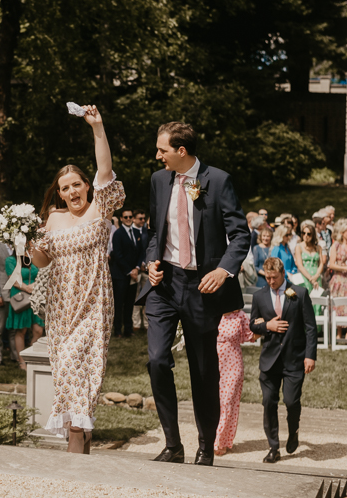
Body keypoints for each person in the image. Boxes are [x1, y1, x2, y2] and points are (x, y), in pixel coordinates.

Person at [134, 120, 250, 467]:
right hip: (164, 285)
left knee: (203, 370)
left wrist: (222, 269)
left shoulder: (218, 180)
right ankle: (172, 444)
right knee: (156, 360)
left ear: (181, 151)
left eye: (162, 150)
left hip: (202, 286)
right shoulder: (159, 180)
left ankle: (205, 446)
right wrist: (151, 261)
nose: (158, 156)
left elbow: (241, 234)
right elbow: (155, 231)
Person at [31, 104, 125, 455]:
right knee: (74, 383)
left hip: (94, 303)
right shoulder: (51, 220)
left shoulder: (100, 208)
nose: (71, 191)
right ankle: (81, 459)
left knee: (79, 373)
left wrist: (97, 127)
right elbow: (41, 262)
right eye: (64, 187)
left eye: (76, 184)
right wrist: (26, 242)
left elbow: (105, 169)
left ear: (87, 186)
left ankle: (71, 473)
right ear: (58, 193)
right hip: (61, 309)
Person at [249, 257, 317, 464]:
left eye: (274, 277)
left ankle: (293, 430)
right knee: (269, 402)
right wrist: (266, 326)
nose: (270, 281)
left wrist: (310, 355)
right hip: (269, 359)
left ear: (283, 274)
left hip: (294, 358)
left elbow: (311, 327)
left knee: (291, 401)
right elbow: (252, 324)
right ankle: (273, 447)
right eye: (267, 278)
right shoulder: (259, 296)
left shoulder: (299, 293)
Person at [214, 309, 257, 456]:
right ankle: (210, 437)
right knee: (213, 401)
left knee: (227, 401)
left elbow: (250, 336)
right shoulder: (212, 311)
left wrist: (264, 325)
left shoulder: (240, 315)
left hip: (232, 363)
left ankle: (221, 440)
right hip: (212, 361)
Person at [6, 254, 44, 370]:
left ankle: (31, 356)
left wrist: (36, 285)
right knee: (21, 330)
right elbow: (13, 279)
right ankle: (22, 362)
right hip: (20, 295)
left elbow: (42, 273)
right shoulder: (11, 260)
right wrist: (27, 288)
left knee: (38, 329)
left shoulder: (35, 258)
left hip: (36, 294)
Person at [111, 208, 142, 338]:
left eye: (130, 217)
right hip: (120, 275)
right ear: (122, 219)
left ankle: (128, 330)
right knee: (119, 304)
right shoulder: (118, 234)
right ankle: (117, 330)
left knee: (130, 303)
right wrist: (129, 271)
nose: (128, 219)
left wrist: (137, 268)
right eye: (126, 217)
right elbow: (117, 255)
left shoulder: (136, 232)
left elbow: (140, 252)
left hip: (133, 273)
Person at [0, 234, 18, 366]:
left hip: (16, 294)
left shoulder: (18, 247)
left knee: (14, 329)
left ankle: (15, 356)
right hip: (1, 294)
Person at [294, 223, 324, 299]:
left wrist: (316, 276)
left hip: (316, 276)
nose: (305, 235)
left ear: (313, 235)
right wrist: (311, 279)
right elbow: (300, 265)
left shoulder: (318, 247)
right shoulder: (299, 247)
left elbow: (321, 264)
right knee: (306, 301)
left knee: (317, 303)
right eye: (303, 233)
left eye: (308, 234)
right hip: (305, 277)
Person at [132, 210, 150, 330]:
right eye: (140, 219)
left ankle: (147, 323)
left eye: (144, 218)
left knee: (148, 298)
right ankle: (136, 323)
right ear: (134, 219)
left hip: (146, 269)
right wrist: (136, 267)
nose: (142, 221)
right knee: (135, 297)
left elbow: (147, 249)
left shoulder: (145, 231)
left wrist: (144, 264)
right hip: (134, 270)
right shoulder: (130, 231)